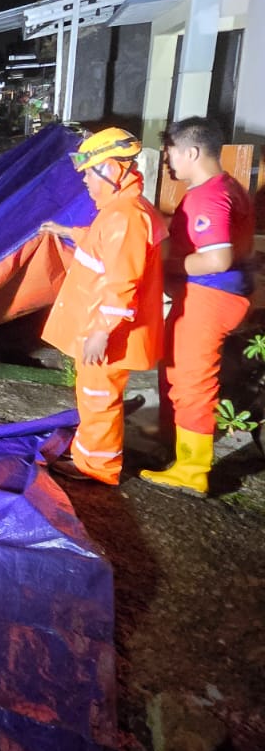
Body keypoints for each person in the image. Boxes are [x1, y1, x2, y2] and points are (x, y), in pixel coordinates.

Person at [39, 128, 167, 485]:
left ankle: (97, 468)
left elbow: (121, 282)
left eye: (89, 176)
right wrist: (68, 231)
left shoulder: (125, 217)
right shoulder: (121, 212)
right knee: (94, 396)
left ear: (111, 171)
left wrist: (100, 333)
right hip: (103, 327)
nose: (87, 185)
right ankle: (88, 455)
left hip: (107, 334)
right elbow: (103, 248)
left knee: (98, 398)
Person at [140, 117, 256, 495]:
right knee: (173, 365)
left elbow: (217, 258)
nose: (169, 160)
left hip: (209, 296)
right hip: (212, 295)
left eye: (171, 151)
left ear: (190, 151)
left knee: (192, 380)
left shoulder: (209, 195)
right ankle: (172, 436)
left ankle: (192, 468)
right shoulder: (229, 187)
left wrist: (162, 266)